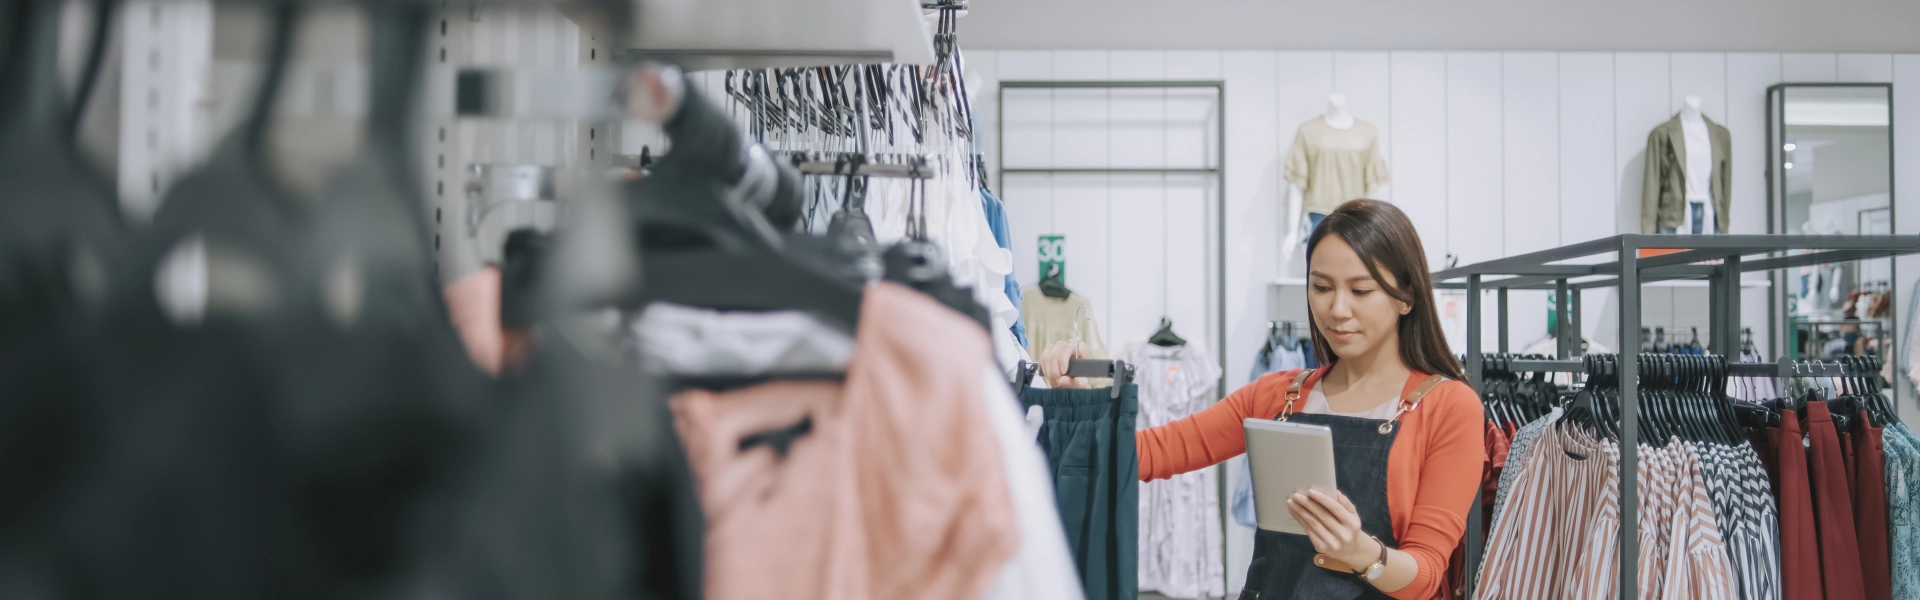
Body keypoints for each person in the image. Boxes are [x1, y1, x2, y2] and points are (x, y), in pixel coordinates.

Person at [1040, 199, 1485, 600]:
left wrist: (1360, 551)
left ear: (1406, 296)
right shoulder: (1279, 393)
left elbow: (1425, 575)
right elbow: (1151, 454)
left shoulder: (1449, 408)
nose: (1337, 309)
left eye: (1361, 290)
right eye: (1322, 287)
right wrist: (1082, 403)